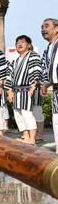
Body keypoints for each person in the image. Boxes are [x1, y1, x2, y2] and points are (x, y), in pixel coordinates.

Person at [5, 35, 42, 146]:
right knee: (18, 115)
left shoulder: (33, 56)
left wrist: (33, 85)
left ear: (29, 45)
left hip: (26, 90)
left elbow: (36, 70)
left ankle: (32, 139)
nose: (19, 44)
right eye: (17, 42)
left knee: (27, 114)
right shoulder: (15, 61)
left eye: (22, 42)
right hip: (17, 91)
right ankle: (25, 136)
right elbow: (9, 76)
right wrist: (10, 92)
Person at [40, 18, 58, 153]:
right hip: (56, 90)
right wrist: (46, 85)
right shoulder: (49, 48)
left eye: (47, 26)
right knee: (56, 120)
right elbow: (49, 71)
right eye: (42, 27)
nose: (43, 29)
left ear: (57, 29)